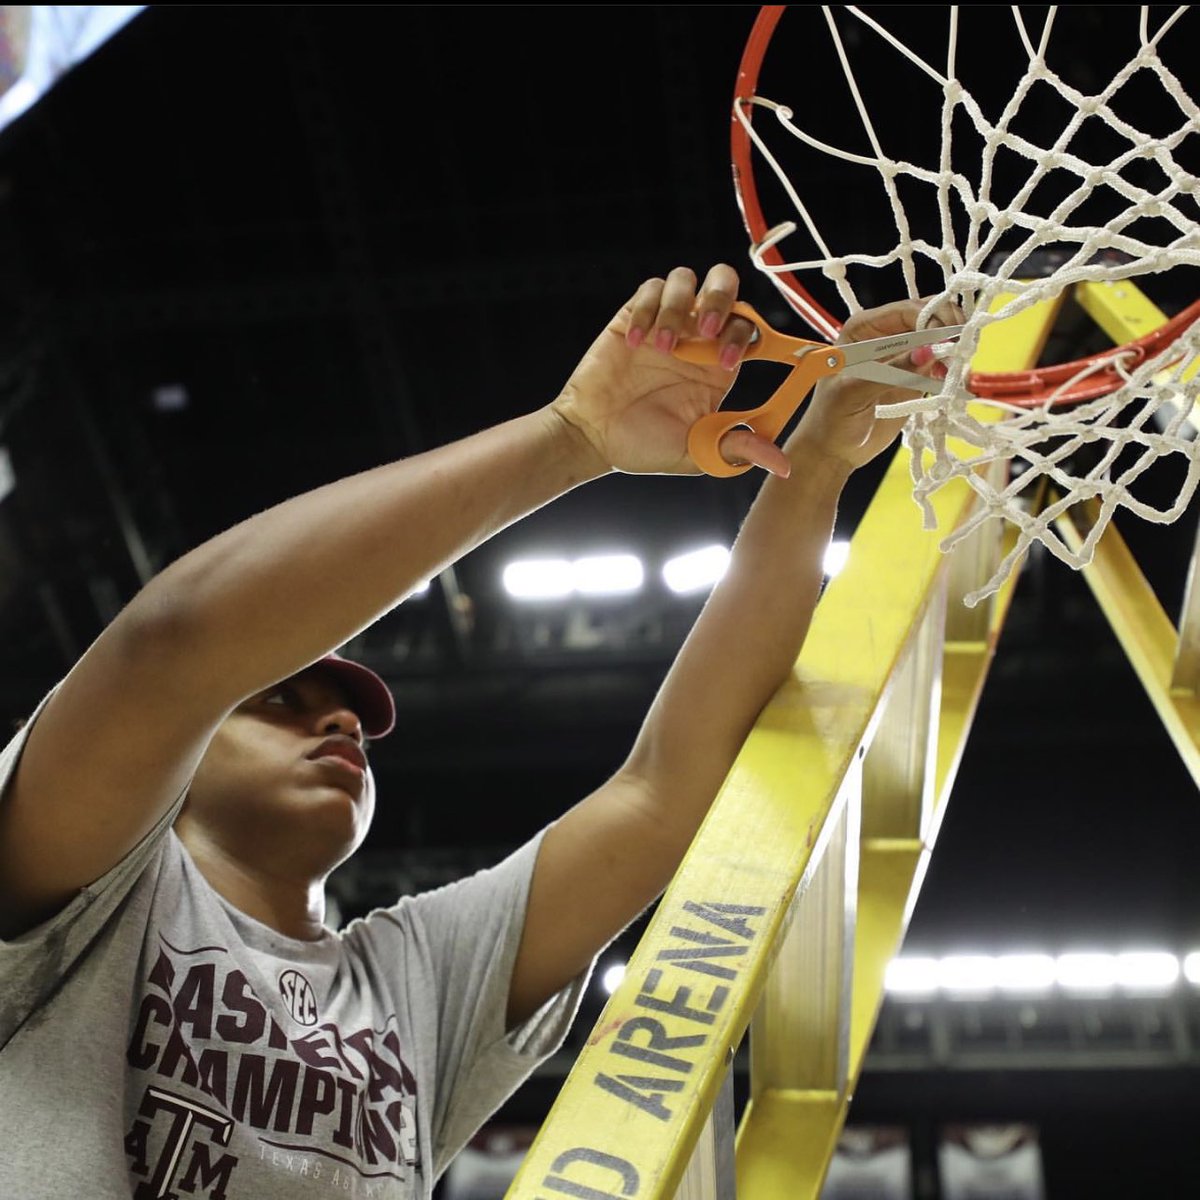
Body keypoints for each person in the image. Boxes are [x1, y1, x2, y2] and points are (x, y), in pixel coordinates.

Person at [0, 264, 944, 1199]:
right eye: (277, 701)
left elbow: (664, 790)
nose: (336, 720)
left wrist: (815, 463)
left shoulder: (414, 983)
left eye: (350, 719)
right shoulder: (93, 899)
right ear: (179, 759)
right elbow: (175, 649)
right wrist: (572, 437)